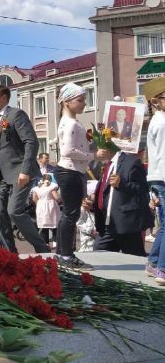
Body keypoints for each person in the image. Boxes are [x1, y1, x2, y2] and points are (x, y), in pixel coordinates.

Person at [0, 84, 49, 253]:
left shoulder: (16, 115)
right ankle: (10, 253)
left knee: (14, 211)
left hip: (20, 172)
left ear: (4, 98)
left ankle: (42, 248)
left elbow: (31, 142)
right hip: (2, 176)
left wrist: (25, 170)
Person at [54, 83, 109, 269]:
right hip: (70, 171)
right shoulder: (70, 123)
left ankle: (62, 253)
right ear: (67, 102)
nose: (84, 104)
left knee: (69, 214)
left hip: (72, 171)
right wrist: (94, 156)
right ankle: (67, 256)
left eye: (84, 100)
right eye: (80, 100)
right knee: (71, 214)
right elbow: (68, 150)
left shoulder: (70, 121)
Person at [91, 148, 149, 256]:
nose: (98, 150)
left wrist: (122, 184)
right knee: (99, 255)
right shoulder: (109, 165)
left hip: (126, 225)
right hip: (108, 224)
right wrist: (92, 202)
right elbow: (105, 191)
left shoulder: (132, 162)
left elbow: (143, 189)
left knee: (136, 262)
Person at [144, 77, 165, 285]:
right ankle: (162, 269)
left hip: (157, 176)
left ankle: (153, 262)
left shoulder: (156, 121)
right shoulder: (163, 122)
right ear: (155, 101)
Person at [32, 174, 60, 249]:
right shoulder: (52, 186)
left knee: (44, 225)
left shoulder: (37, 187)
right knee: (55, 224)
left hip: (40, 205)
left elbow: (34, 199)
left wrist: (40, 203)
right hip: (51, 205)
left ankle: (46, 243)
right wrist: (60, 200)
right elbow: (56, 197)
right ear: (51, 179)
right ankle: (55, 242)